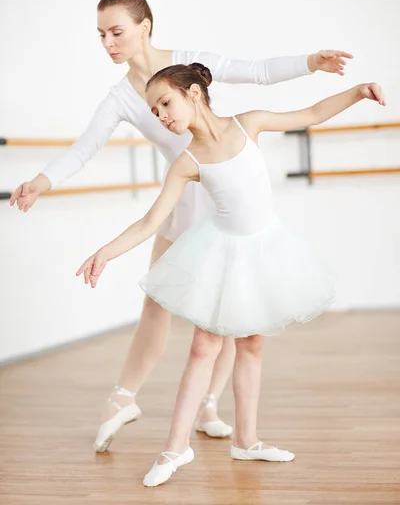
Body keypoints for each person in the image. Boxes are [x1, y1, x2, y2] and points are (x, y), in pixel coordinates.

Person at [10, 0, 353, 453]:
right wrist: (40, 182)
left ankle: (209, 405)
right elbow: (84, 149)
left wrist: (312, 62)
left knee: (234, 311)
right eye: (101, 35)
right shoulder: (121, 98)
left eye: (116, 32)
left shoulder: (189, 64)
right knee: (158, 304)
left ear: (144, 26)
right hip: (183, 201)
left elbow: (255, 72)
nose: (108, 43)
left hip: (225, 198)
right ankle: (123, 398)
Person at [77, 63, 385, 486]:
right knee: (204, 347)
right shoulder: (186, 161)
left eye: (165, 103)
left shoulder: (249, 124)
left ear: (194, 94)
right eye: (154, 111)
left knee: (252, 344)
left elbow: (311, 114)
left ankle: (247, 440)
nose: (161, 115)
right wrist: (105, 253)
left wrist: (357, 92)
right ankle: (174, 448)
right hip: (222, 254)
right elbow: (150, 221)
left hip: (264, 250)